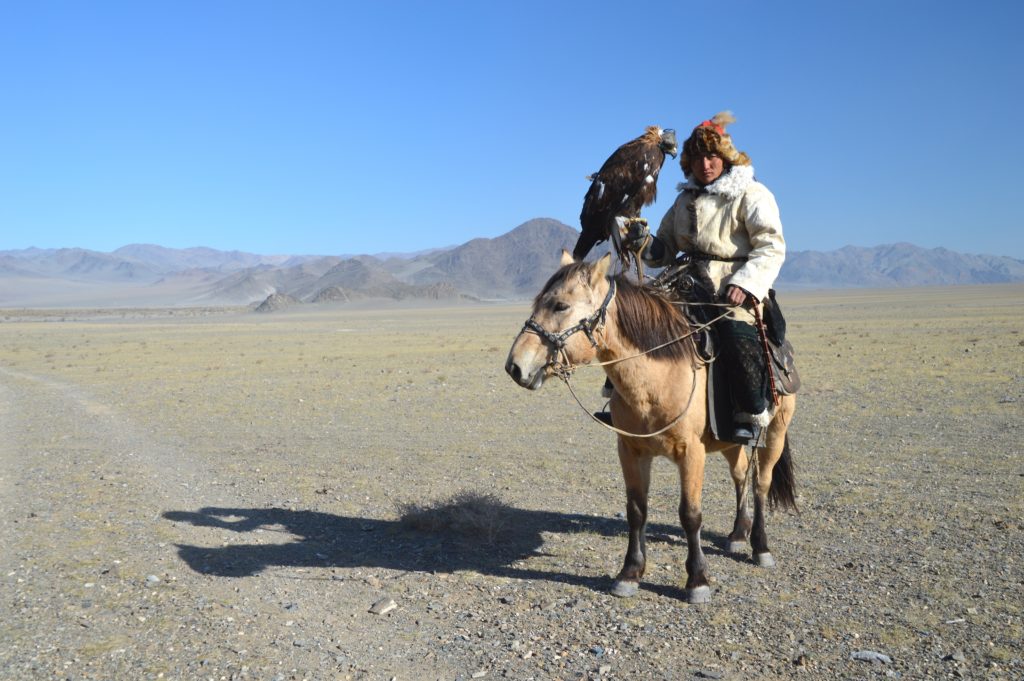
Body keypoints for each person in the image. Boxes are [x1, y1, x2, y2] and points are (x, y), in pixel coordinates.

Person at [628, 111, 786, 443]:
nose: (705, 164)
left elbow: (771, 246)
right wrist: (641, 241)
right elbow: (664, 251)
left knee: (732, 330)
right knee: (637, 317)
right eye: (698, 157)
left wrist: (746, 283)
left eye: (712, 156)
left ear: (726, 157)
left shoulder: (751, 194)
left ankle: (749, 411)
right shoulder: (683, 200)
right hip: (685, 278)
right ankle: (623, 401)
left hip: (733, 281)